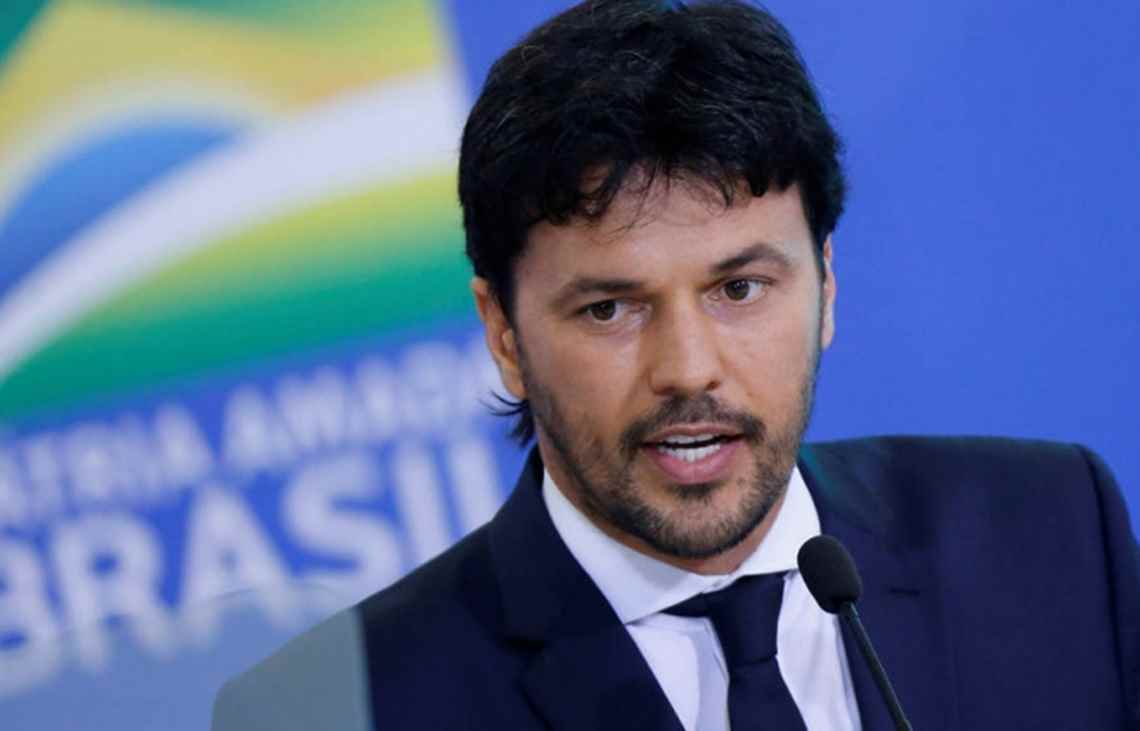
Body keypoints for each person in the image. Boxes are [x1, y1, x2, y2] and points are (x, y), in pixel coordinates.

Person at [212, 1, 1140, 729]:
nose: (689, 369)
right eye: (609, 308)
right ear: (504, 332)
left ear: (825, 284)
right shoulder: (337, 710)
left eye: (739, 288)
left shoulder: (1052, 536)